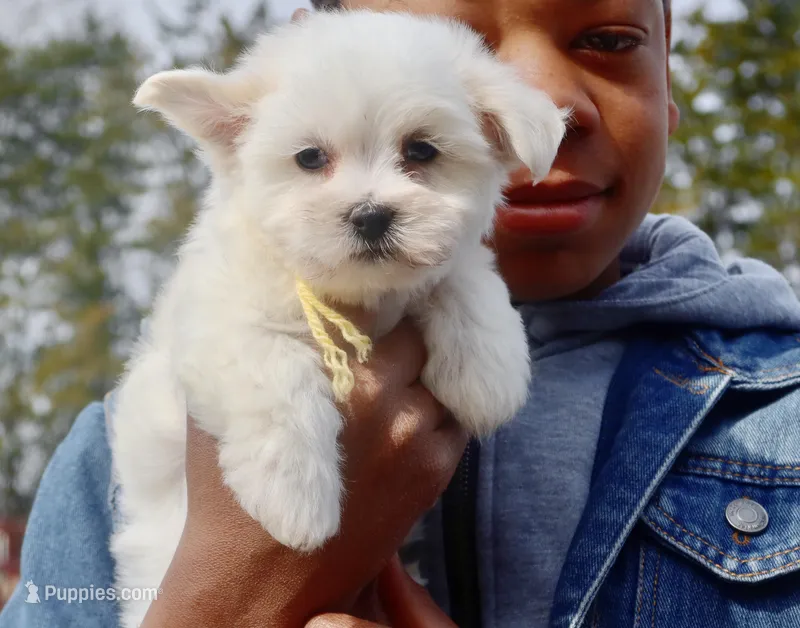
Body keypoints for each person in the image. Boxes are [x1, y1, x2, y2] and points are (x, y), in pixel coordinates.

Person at [2, 0, 800, 626]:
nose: (548, 99)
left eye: (606, 38)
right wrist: (223, 603)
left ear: (669, 70)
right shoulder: (105, 452)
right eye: (314, 159)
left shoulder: (779, 420)